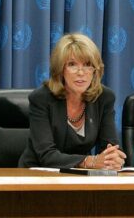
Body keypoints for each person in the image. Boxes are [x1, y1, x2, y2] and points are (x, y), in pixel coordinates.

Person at [18, 33, 126, 169]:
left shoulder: (104, 97)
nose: (81, 73)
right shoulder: (41, 98)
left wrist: (114, 158)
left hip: (79, 176)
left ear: (95, 70)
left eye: (88, 65)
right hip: (38, 175)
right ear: (60, 70)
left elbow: (110, 145)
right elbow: (46, 155)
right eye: (72, 65)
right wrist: (89, 161)